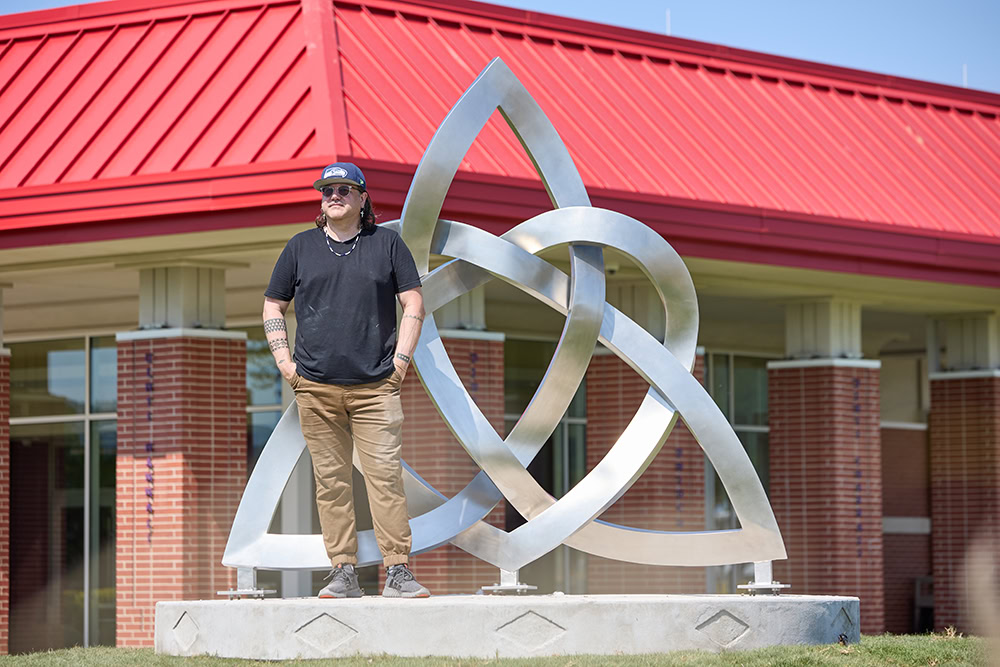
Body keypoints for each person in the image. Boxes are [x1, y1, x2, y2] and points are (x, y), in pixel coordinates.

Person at [262, 162, 429, 598]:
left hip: (377, 387)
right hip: (315, 387)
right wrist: (285, 364)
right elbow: (272, 306)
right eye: (327, 190)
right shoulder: (300, 247)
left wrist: (401, 363)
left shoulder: (387, 244)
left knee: (385, 478)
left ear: (362, 198)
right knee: (331, 483)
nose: (333, 196)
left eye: (343, 189)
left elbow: (414, 302)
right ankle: (343, 571)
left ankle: (398, 571)